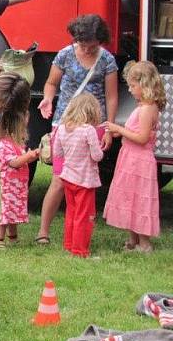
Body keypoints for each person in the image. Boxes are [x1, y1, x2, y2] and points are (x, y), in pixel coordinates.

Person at [36, 14, 118, 244]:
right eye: (83, 45)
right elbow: (51, 83)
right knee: (59, 179)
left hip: (94, 126)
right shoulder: (64, 54)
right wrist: (48, 99)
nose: (88, 49)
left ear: (100, 40)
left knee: (85, 179)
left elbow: (111, 97)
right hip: (65, 125)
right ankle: (43, 231)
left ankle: (78, 233)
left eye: (92, 46)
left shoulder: (107, 60)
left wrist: (109, 128)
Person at [103, 61, 167, 253]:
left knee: (140, 200)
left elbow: (142, 138)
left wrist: (118, 128)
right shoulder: (143, 106)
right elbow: (135, 131)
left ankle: (144, 243)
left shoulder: (148, 109)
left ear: (145, 85)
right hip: (130, 158)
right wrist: (121, 133)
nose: (130, 90)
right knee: (130, 197)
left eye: (133, 86)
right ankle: (133, 240)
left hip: (139, 160)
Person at [51, 93, 104, 258]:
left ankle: (69, 244)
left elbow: (57, 153)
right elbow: (96, 156)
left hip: (67, 177)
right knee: (84, 215)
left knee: (71, 212)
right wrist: (101, 150)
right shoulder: (88, 130)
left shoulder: (62, 128)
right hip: (85, 180)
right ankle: (80, 249)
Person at [0, 108, 40, 247]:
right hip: (7, 188)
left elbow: (21, 160)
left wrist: (32, 156)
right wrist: (28, 156)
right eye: (25, 119)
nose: (28, 122)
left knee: (12, 214)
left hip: (17, 187)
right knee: (5, 213)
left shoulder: (18, 143)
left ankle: (13, 237)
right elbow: (14, 162)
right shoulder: (4, 144)